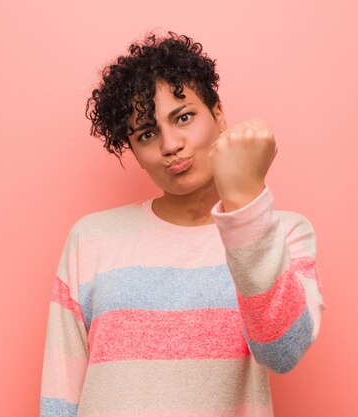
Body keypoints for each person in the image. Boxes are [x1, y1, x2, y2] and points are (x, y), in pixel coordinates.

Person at [39, 31, 326, 417]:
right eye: (147, 133)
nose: (170, 144)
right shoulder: (92, 239)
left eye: (184, 117)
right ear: (136, 154)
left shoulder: (282, 233)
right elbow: (61, 394)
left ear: (219, 115)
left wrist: (245, 201)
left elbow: (282, 351)